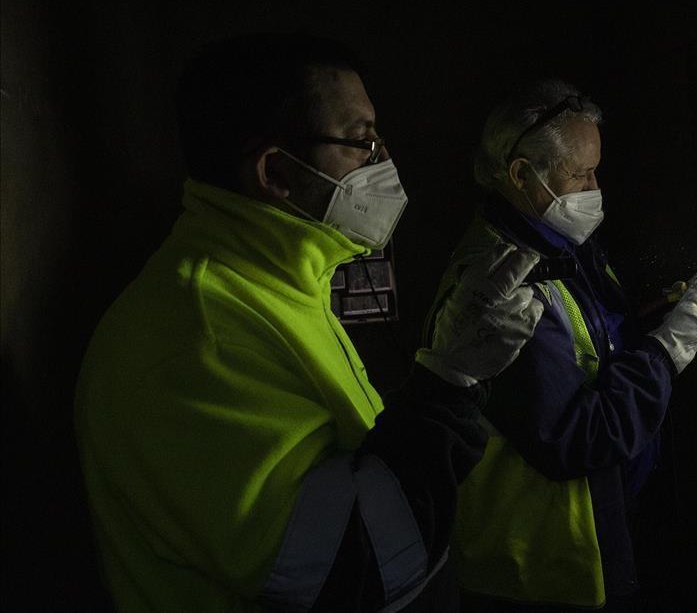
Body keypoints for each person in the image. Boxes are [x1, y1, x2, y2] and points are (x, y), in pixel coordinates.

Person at [74, 33, 545, 612]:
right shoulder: (195, 336)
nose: (385, 164)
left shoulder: (281, 281)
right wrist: (449, 386)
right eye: (361, 142)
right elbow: (353, 565)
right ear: (276, 172)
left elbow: (344, 463)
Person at [425, 80, 697, 610]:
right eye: (580, 174)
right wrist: (671, 346)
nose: (595, 187)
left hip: (594, 530)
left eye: (596, 169)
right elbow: (577, 437)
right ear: (522, 173)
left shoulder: (563, 246)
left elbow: (603, 342)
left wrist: (681, 303)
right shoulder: (502, 285)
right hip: (538, 569)